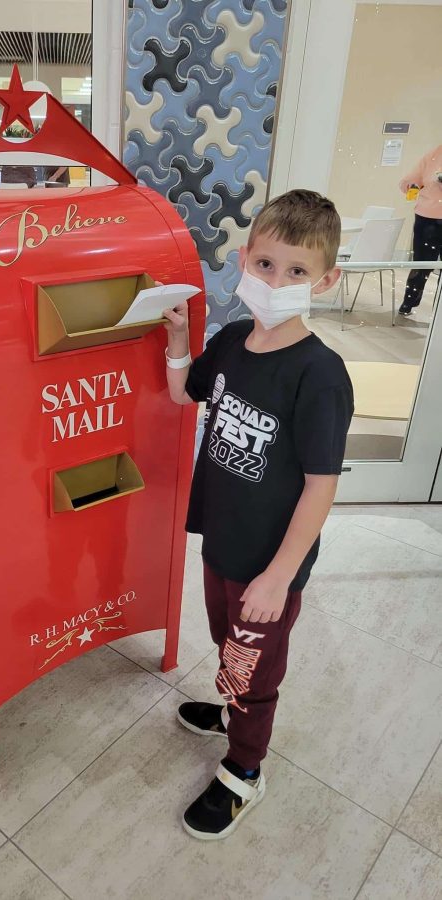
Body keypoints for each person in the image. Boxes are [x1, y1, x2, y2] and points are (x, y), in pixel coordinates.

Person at [162, 189, 354, 840]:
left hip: (269, 563)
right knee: (227, 644)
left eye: (296, 271)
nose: (276, 281)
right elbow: (183, 391)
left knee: (251, 666)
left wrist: (278, 576)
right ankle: (231, 710)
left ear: (323, 280)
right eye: (266, 264)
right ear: (243, 259)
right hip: (223, 542)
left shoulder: (318, 375)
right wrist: (178, 340)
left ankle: (245, 767)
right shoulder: (234, 339)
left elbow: (319, 484)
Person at [398, 144, 442, 316]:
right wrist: (411, 186)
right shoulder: (435, 153)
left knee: (422, 263)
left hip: (428, 216)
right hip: (427, 218)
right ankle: (409, 302)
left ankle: (438, 311)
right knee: (422, 263)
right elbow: (408, 182)